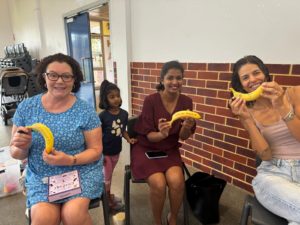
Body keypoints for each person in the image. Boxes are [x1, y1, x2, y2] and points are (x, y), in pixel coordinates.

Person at [9, 53, 103, 225]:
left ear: (74, 80)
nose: (60, 81)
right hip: (42, 176)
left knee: (73, 216)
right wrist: (22, 147)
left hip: (80, 171)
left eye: (66, 76)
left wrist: (70, 160)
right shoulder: (26, 108)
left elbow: (96, 150)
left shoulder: (85, 110)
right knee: (44, 219)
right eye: (53, 75)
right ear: (44, 77)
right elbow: (15, 153)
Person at [228, 55, 300, 225]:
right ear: (241, 86)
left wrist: (282, 106)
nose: (252, 80)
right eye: (245, 78)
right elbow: (265, 155)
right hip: (273, 173)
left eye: (256, 73)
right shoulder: (248, 112)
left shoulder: (294, 93)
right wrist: (246, 120)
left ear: (265, 74)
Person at [131, 60, 196, 225]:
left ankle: (172, 218)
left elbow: (183, 136)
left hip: (169, 149)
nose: (175, 82)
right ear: (162, 80)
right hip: (146, 148)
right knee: (159, 184)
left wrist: (187, 127)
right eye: (170, 78)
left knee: (177, 181)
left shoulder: (187, 102)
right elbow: (148, 136)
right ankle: (157, 221)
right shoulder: (151, 100)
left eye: (179, 78)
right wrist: (161, 134)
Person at [98, 79, 136, 210]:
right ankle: (107, 200)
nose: (116, 99)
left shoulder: (124, 114)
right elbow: (97, 136)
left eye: (117, 96)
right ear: (105, 99)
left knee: (109, 175)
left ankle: (107, 194)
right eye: (111, 97)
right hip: (105, 153)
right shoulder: (102, 116)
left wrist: (128, 139)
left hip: (116, 151)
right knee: (107, 177)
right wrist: (99, 154)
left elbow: (122, 130)